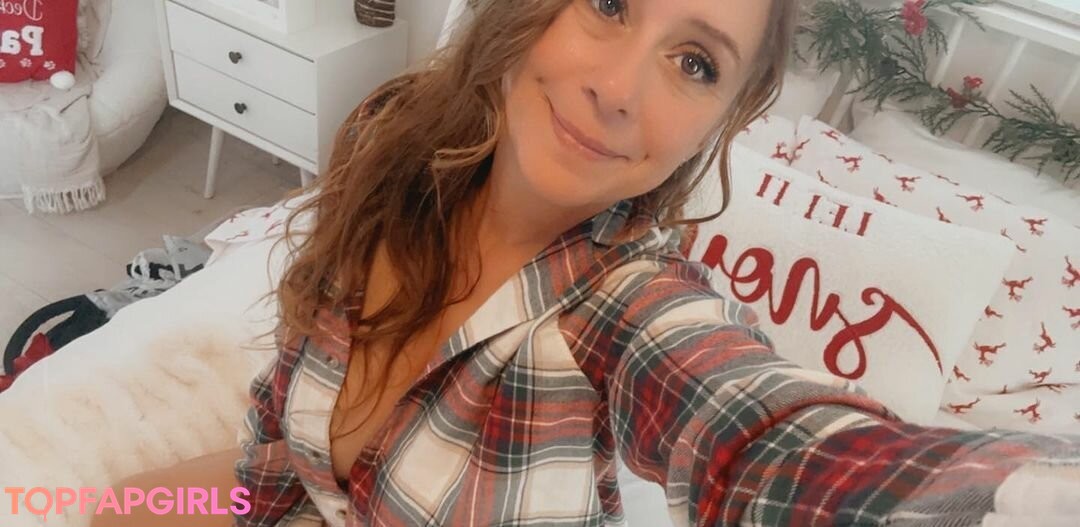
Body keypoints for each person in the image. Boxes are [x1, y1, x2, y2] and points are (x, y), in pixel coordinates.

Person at [93, 0, 1080, 526]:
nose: (617, 88)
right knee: (105, 512)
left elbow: (775, 443)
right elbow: (281, 440)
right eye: (609, 3)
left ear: (721, 120)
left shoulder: (631, 311)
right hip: (290, 493)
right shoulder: (393, 149)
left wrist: (1010, 497)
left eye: (694, 62)